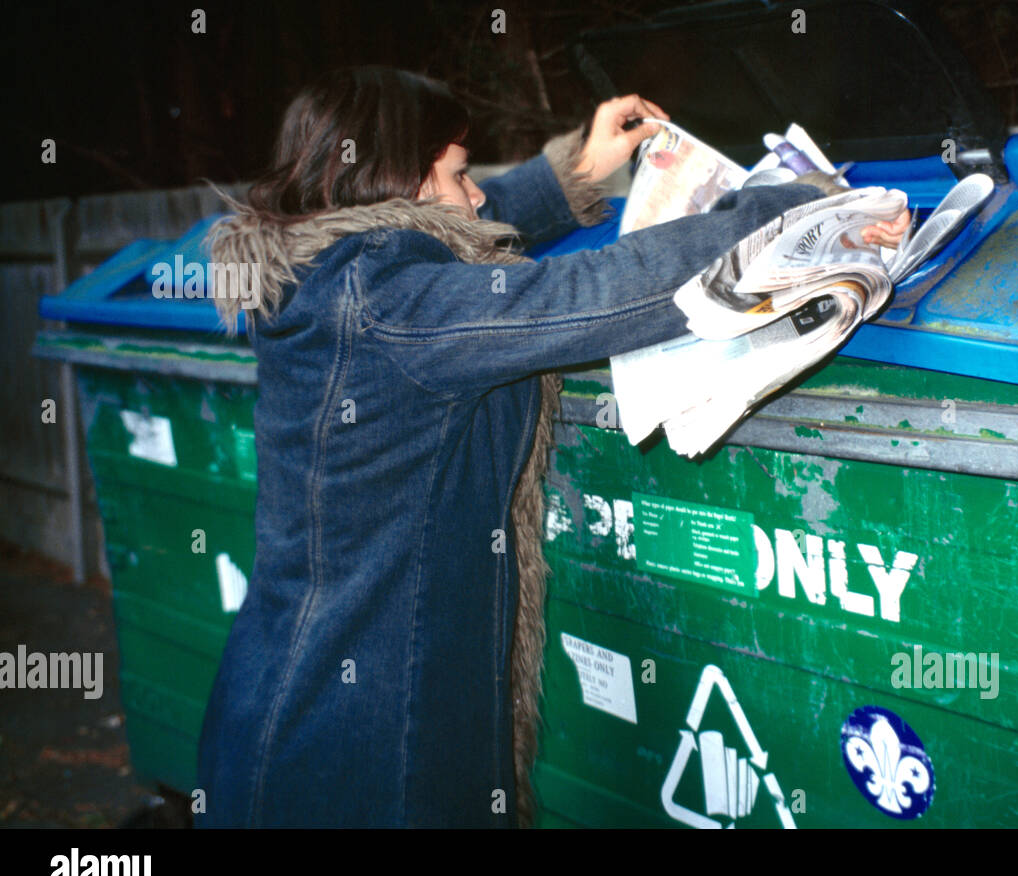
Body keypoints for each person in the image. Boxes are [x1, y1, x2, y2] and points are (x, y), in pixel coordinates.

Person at [195, 65, 908, 828]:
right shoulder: (388, 304)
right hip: (355, 750)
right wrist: (796, 212)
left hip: (300, 701)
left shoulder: (328, 273)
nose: (478, 196)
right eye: (462, 174)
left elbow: (461, 235)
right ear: (395, 181)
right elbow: (593, 293)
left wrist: (577, 171)